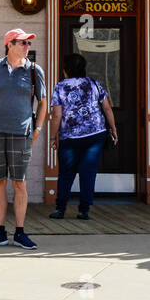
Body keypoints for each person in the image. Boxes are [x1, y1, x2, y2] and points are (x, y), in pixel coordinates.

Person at [0, 28, 47, 249]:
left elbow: (43, 102)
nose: (27, 47)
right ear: (9, 44)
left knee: (20, 183)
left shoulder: (35, 71)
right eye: (22, 43)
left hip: (22, 134)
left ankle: (19, 232)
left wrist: (37, 130)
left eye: (28, 43)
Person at [49, 53, 117, 220]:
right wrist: (114, 129)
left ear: (66, 69)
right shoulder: (94, 84)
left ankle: (60, 209)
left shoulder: (60, 87)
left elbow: (57, 115)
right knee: (88, 172)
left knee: (66, 173)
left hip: (70, 137)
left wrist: (52, 137)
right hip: (95, 134)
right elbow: (107, 108)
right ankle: (84, 210)